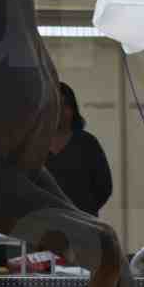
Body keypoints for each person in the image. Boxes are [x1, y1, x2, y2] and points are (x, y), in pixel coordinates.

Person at [45, 81, 113, 217]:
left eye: (65, 105)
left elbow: (104, 187)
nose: (60, 111)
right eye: (55, 105)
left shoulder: (87, 143)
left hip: (82, 222)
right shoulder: (35, 143)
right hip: (43, 224)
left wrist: (84, 210)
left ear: (73, 110)